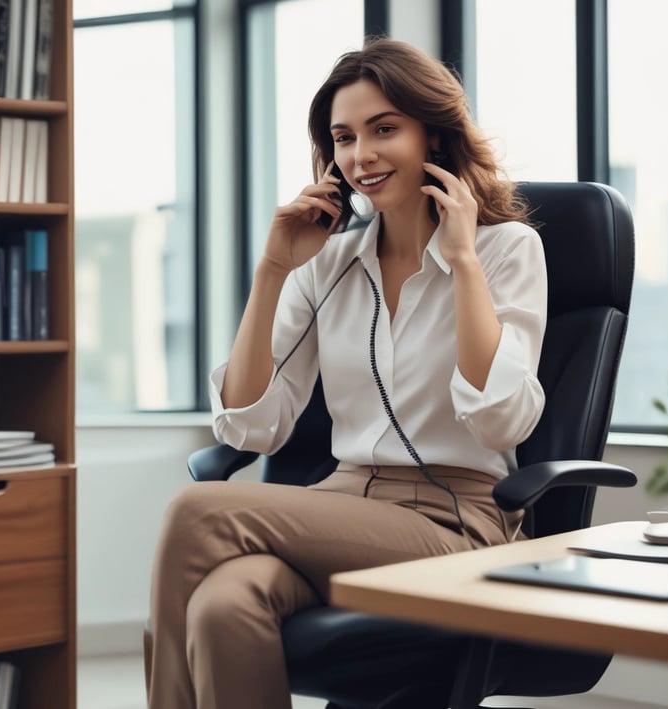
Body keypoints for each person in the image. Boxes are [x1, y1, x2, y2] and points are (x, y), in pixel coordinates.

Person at [147, 36, 547, 709]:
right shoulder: (329, 265)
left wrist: (463, 265)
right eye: (343, 137)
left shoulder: (506, 250)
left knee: (196, 508)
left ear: (434, 138)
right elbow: (252, 424)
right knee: (222, 601)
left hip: (459, 520)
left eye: (384, 129)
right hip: (342, 504)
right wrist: (274, 271)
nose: (360, 155)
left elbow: (501, 416)